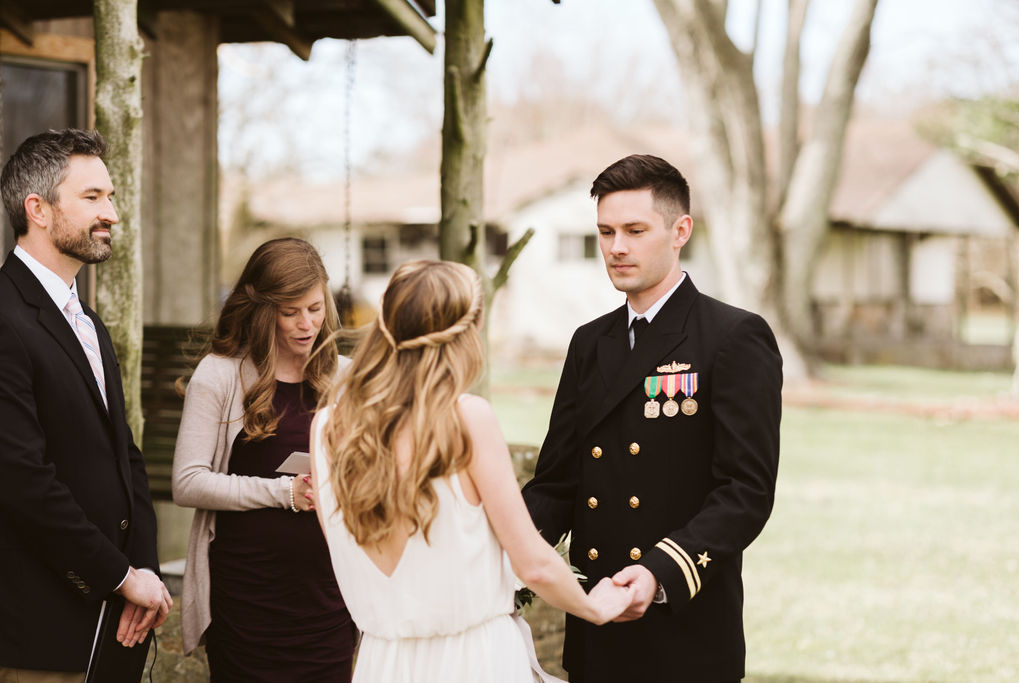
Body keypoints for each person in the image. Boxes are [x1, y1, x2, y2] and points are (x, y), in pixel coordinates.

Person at [521, 154, 784, 682]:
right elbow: (556, 484)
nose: (617, 247)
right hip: (596, 627)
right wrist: (497, 553)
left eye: (635, 230)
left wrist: (658, 572)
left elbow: (745, 492)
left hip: (684, 632)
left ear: (680, 230)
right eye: (606, 232)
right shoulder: (589, 342)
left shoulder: (733, 337)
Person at [310, 260, 633, 683]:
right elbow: (531, 563)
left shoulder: (326, 427)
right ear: (466, 333)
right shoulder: (467, 419)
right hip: (474, 661)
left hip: (381, 662)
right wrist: (596, 607)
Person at [0, 129, 172, 680]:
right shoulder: (5, 319)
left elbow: (125, 456)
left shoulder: (89, 322)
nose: (112, 214)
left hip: (116, 625)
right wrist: (119, 577)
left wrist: (142, 571)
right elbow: (21, 479)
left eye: (111, 197)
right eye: (93, 197)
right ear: (39, 210)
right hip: (41, 631)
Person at [172, 237, 355, 681]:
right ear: (260, 309)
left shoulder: (346, 376)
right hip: (247, 602)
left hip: (329, 602)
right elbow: (188, 482)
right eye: (289, 312)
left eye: (314, 308)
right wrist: (284, 493)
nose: (306, 324)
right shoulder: (219, 375)